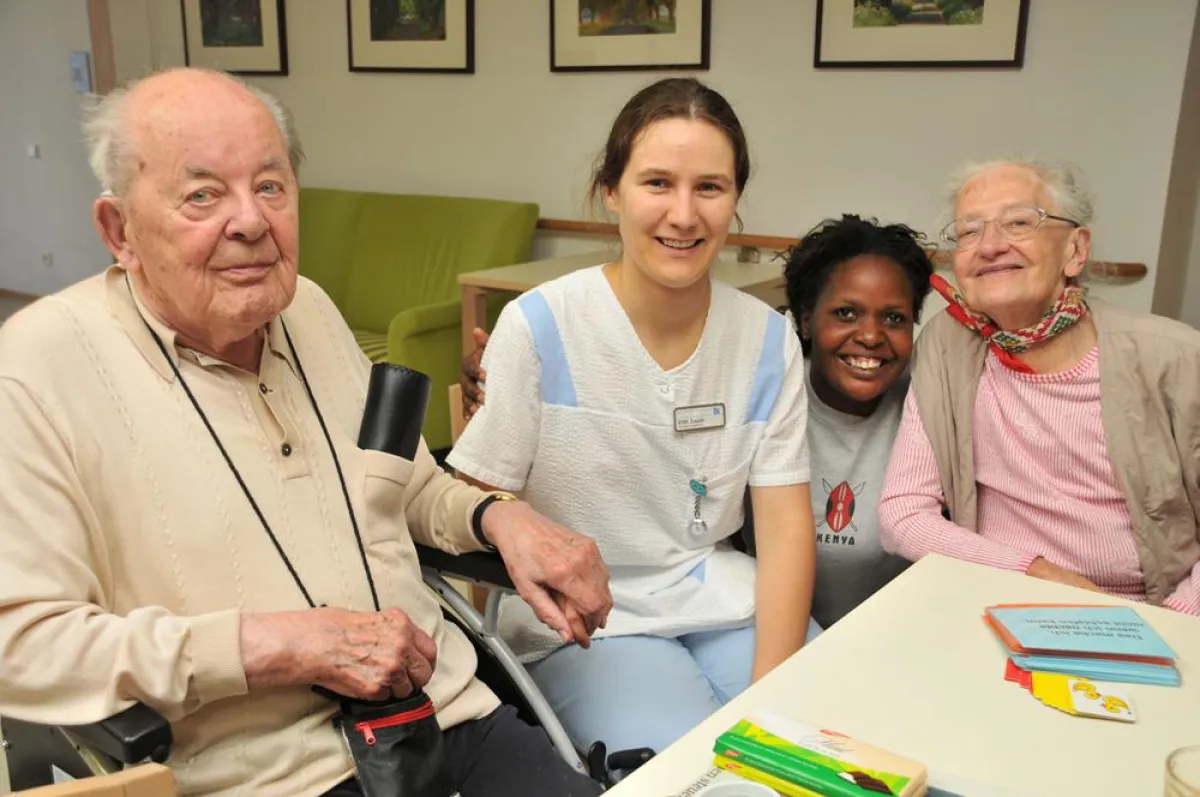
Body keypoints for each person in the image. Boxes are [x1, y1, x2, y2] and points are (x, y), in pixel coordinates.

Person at [0, 68, 612, 797]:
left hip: (443, 716)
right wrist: (272, 646)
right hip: (262, 772)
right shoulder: (39, 366)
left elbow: (405, 485)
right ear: (119, 230)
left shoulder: (312, 312)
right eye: (202, 195)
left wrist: (497, 515)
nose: (251, 221)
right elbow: (22, 643)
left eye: (270, 185)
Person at [446, 77, 817, 757]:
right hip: (589, 623)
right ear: (610, 191)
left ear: (735, 200)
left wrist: (776, 688)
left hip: (724, 602)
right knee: (695, 764)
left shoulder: (767, 340)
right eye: (657, 183)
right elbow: (469, 506)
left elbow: (787, 526)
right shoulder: (540, 327)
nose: (684, 214)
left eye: (710, 187)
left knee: (825, 741)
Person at [463, 215, 936, 631]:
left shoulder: (931, 407)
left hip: (882, 638)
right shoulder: (765, 385)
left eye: (894, 318)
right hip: (731, 616)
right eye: (846, 313)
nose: (871, 335)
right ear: (806, 321)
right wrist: (513, 377)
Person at [878, 158, 1200, 615]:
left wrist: (1171, 623)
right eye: (969, 231)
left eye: (1019, 222)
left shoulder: (1176, 357)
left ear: (1075, 250)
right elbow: (903, 513)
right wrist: (1036, 573)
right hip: (998, 598)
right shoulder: (947, 345)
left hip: (1150, 611)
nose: (989, 245)